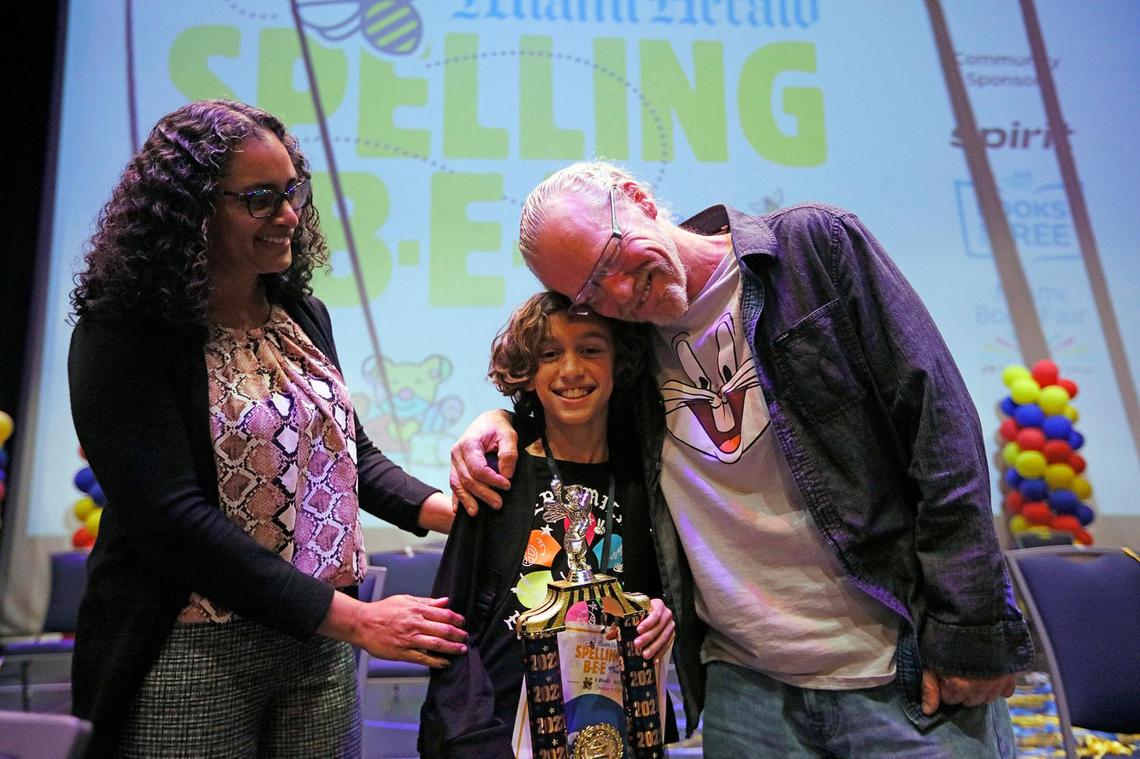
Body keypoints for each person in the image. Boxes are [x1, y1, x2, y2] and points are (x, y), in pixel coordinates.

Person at [450, 161, 1035, 757]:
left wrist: (973, 633)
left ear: (637, 199)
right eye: (591, 292)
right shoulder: (633, 344)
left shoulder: (812, 250)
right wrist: (500, 419)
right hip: (743, 693)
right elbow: (572, 405)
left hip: (901, 674)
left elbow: (941, 432)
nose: (619, 294)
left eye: (611, 260)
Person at [67, 99, 466, 758]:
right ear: (190, 211)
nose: (289, 214)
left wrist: (461, 514)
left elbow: (349, 458)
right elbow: (171, 519)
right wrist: (358, 620)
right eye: (259, 198)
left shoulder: (300, 312)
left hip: (320, 644)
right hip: (189, 650)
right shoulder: (123, 333)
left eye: (292, 192)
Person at [419, 291, 675, 757]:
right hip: (494, 736)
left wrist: (661, 613)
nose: (571, 370)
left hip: (613, 733)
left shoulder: (646, 483)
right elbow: (449, 622)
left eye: (591, 349)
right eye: (549, 354)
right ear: (527, 373)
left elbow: (655, 598)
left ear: (620, 363)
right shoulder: (497, 474)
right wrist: (472, 737)